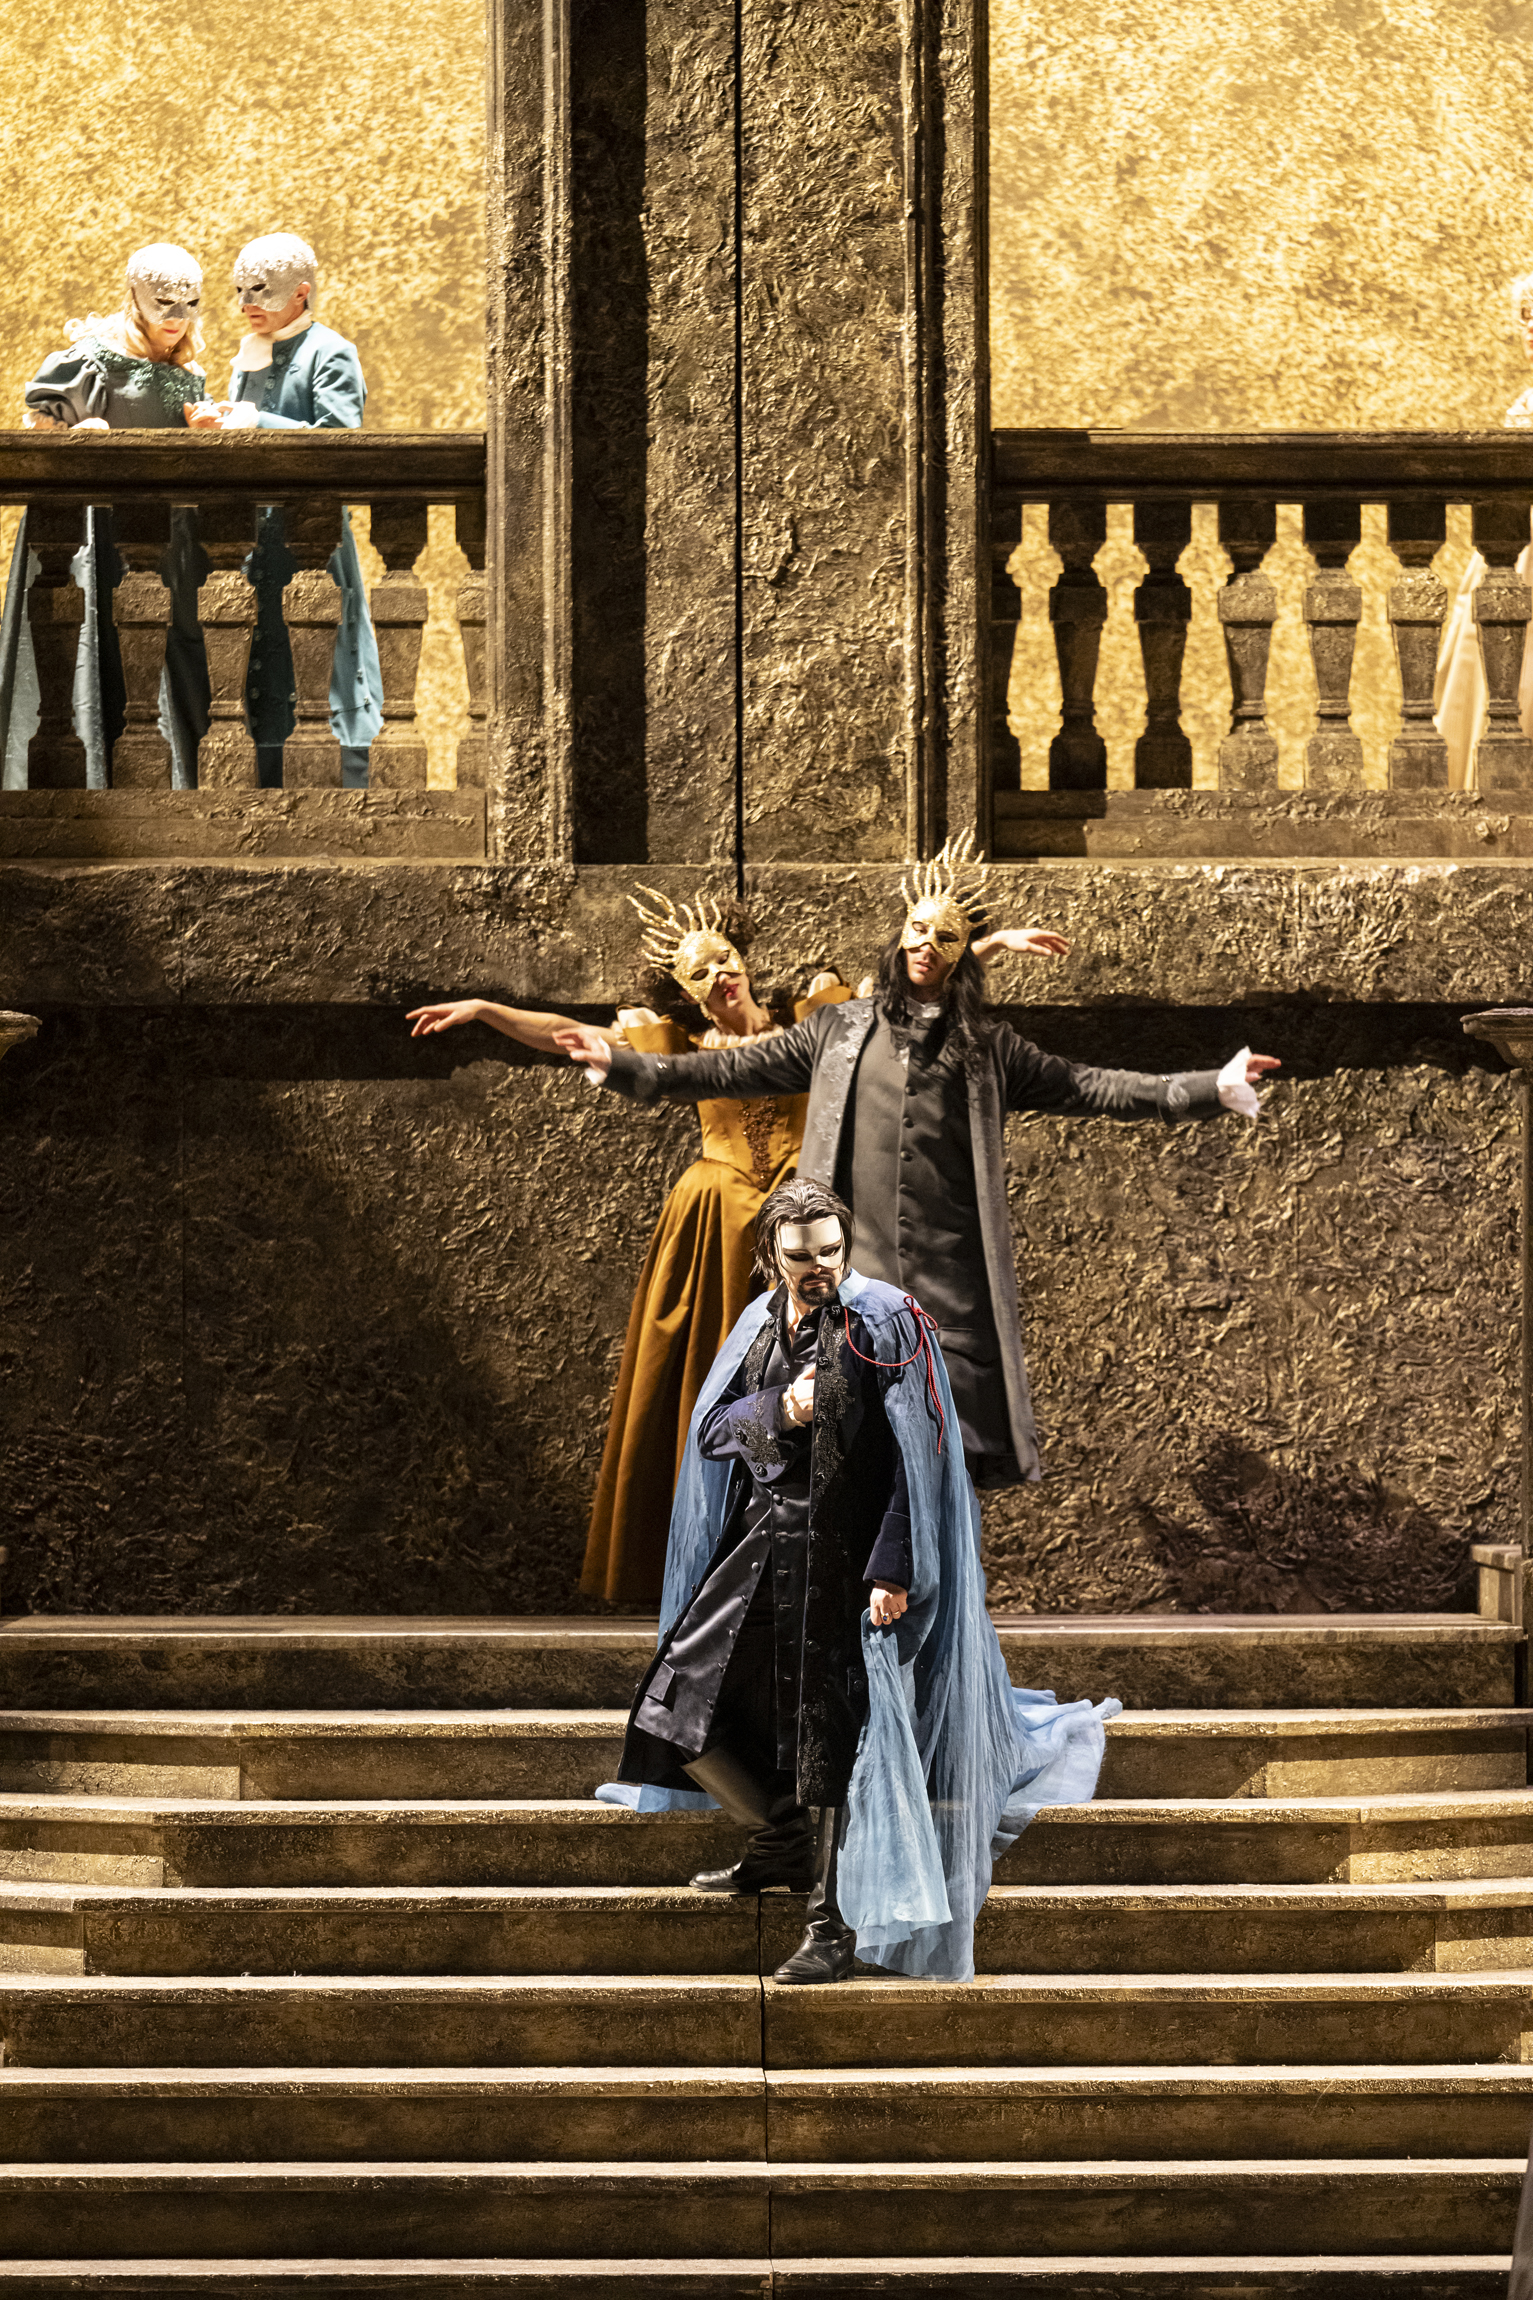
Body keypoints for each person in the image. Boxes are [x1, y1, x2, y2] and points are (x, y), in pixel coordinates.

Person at [555, 835, 1279, 1493]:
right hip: (849, 1291)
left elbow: (1093, 1086)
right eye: (916, 929)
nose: (926, 945)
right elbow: (725, 1071)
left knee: (934, 1477)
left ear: (962, 953)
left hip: (947, 1298)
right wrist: (624, 1067)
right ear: (899, 938)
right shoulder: (836, 1031)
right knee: (841, 1465)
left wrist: (1210, 1087)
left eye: (944, 936)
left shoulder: (988, 1049)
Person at [596, 1176, 1121, 1985]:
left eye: (831, 1252)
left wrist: (894, 1567)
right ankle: (780, 1837)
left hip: (847, 1557)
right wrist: (783, 1409)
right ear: (770, 1254)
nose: (820, 1269)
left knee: (831, 1736)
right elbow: (713, 1430)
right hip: (761, 1546)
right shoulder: (757, 1323)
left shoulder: (885, 1321)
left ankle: (830, 1925)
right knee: (675, 1701)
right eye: (801, 1256)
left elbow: (922, 1455)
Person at [407, 890, 851, 1605]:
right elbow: (567, 1035)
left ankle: (823, 1555)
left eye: (724, 959)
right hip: (716, 1223)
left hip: (799, 1220)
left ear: (744, 960)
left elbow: (900, 1008)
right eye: (699, 972)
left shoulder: (808, 1025)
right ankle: (716, 1553)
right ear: (684, 991)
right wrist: (487, 1010)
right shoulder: (682, 1048)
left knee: (819, 1375)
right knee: (715, 1377)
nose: (718, 976)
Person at [0, 243, 218, 790]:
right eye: (164, 302)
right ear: (136, 297)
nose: (177, 316)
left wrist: (201, 433)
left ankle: (171, 781)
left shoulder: (188, 372)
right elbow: (38, 428)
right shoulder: (91, 361)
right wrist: (75, 435)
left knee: (162, 651)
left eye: (190, 303)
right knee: (92, 646)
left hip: (166, 540)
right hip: (92, 537)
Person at [208, 233, 383, 790]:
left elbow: (340, 442)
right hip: (253, 546)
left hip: (311, 540)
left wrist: (255, 422)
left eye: (260, 291)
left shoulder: (332, 351)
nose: (245, 304)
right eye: (239, 291)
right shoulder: (249, 354)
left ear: (301, 292)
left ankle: (339, 780)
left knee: (320, 657)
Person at [1433, 269, 1533, 787]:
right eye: (1527, 315)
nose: (1530, 327)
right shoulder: (1528, 398)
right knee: (1483, 653)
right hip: (1513, 543)